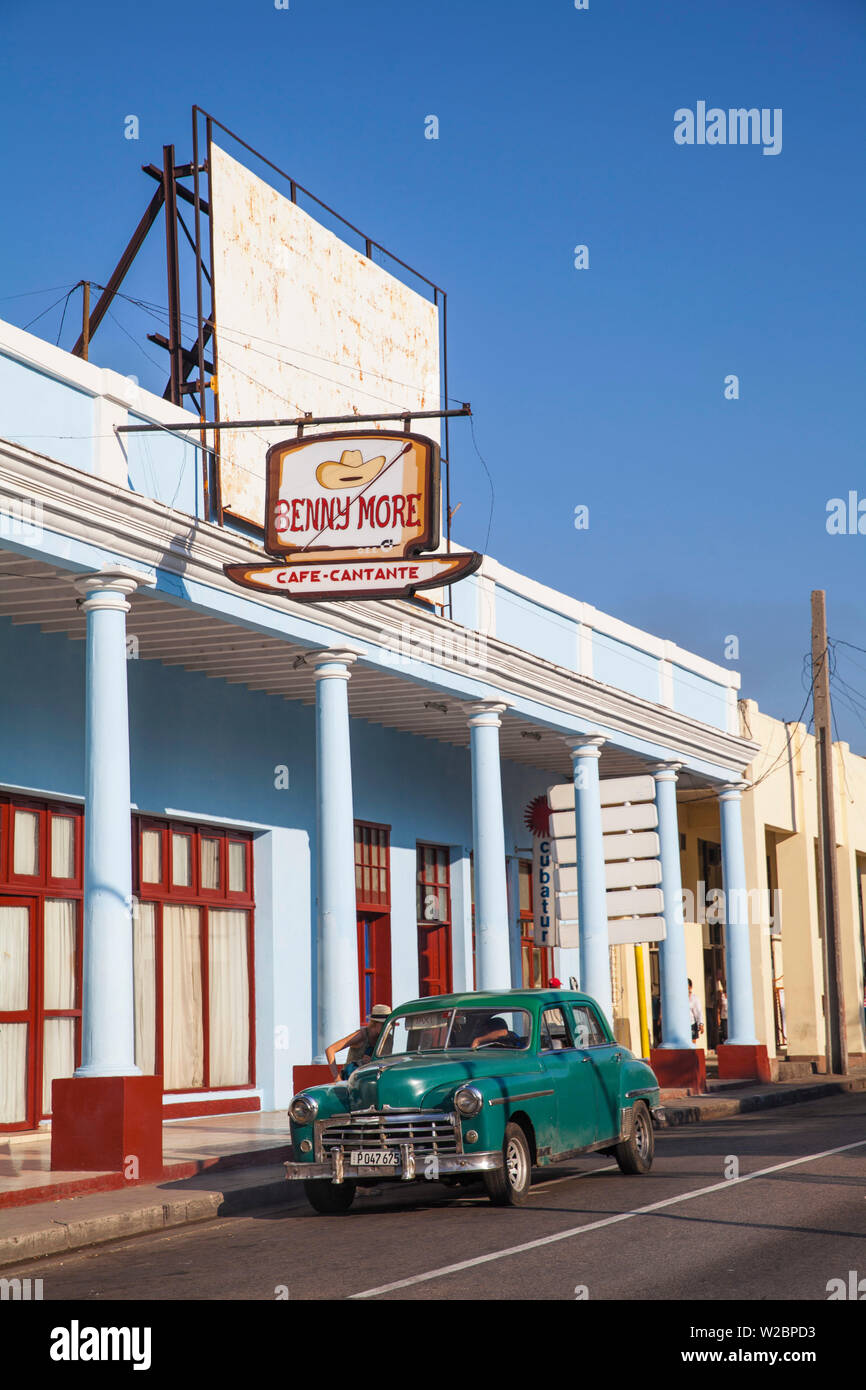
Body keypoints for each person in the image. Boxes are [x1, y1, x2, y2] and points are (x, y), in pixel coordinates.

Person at [325, 1003, 391, 1081]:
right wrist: (337, 1079)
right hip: (352, 1081)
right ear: (375, 1023)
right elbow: (330, 1050)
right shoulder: (361, 1036)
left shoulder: (388, 1038)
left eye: (390, 1024)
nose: (388, 1027)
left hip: (373, 1081)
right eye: (384, 1024)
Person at [688, 978, 704, 1043]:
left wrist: (700, 1023)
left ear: (690, 987)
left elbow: (698, 1012)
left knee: (692, 1043)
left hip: (691, 1024)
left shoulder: (694, 998)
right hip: (682, 1025)